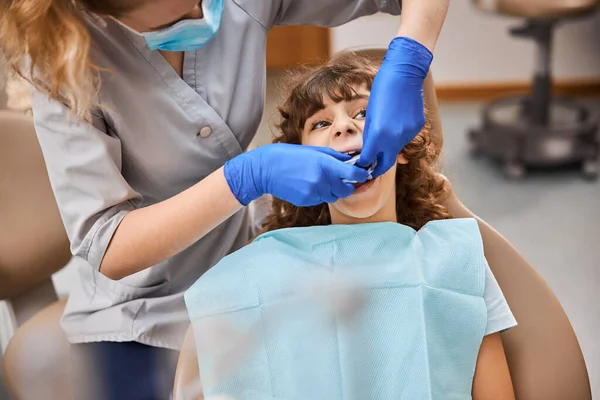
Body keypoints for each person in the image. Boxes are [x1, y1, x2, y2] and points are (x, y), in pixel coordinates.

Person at [0, 0, 449, 398]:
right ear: (104, 12)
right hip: (146, 311)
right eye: (320, 124)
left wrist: (411, 53)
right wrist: (246, 177)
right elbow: (108, 243)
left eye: (361, 116)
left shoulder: (448, 258)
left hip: (251, 268)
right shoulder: (63, 64)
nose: (205, 11)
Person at [185, 53, 517, 399]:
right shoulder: (255, 272)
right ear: (297, 165)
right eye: (320, 124)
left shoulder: (454, 262)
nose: (344, 126)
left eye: (362, 113)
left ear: (401, 146)